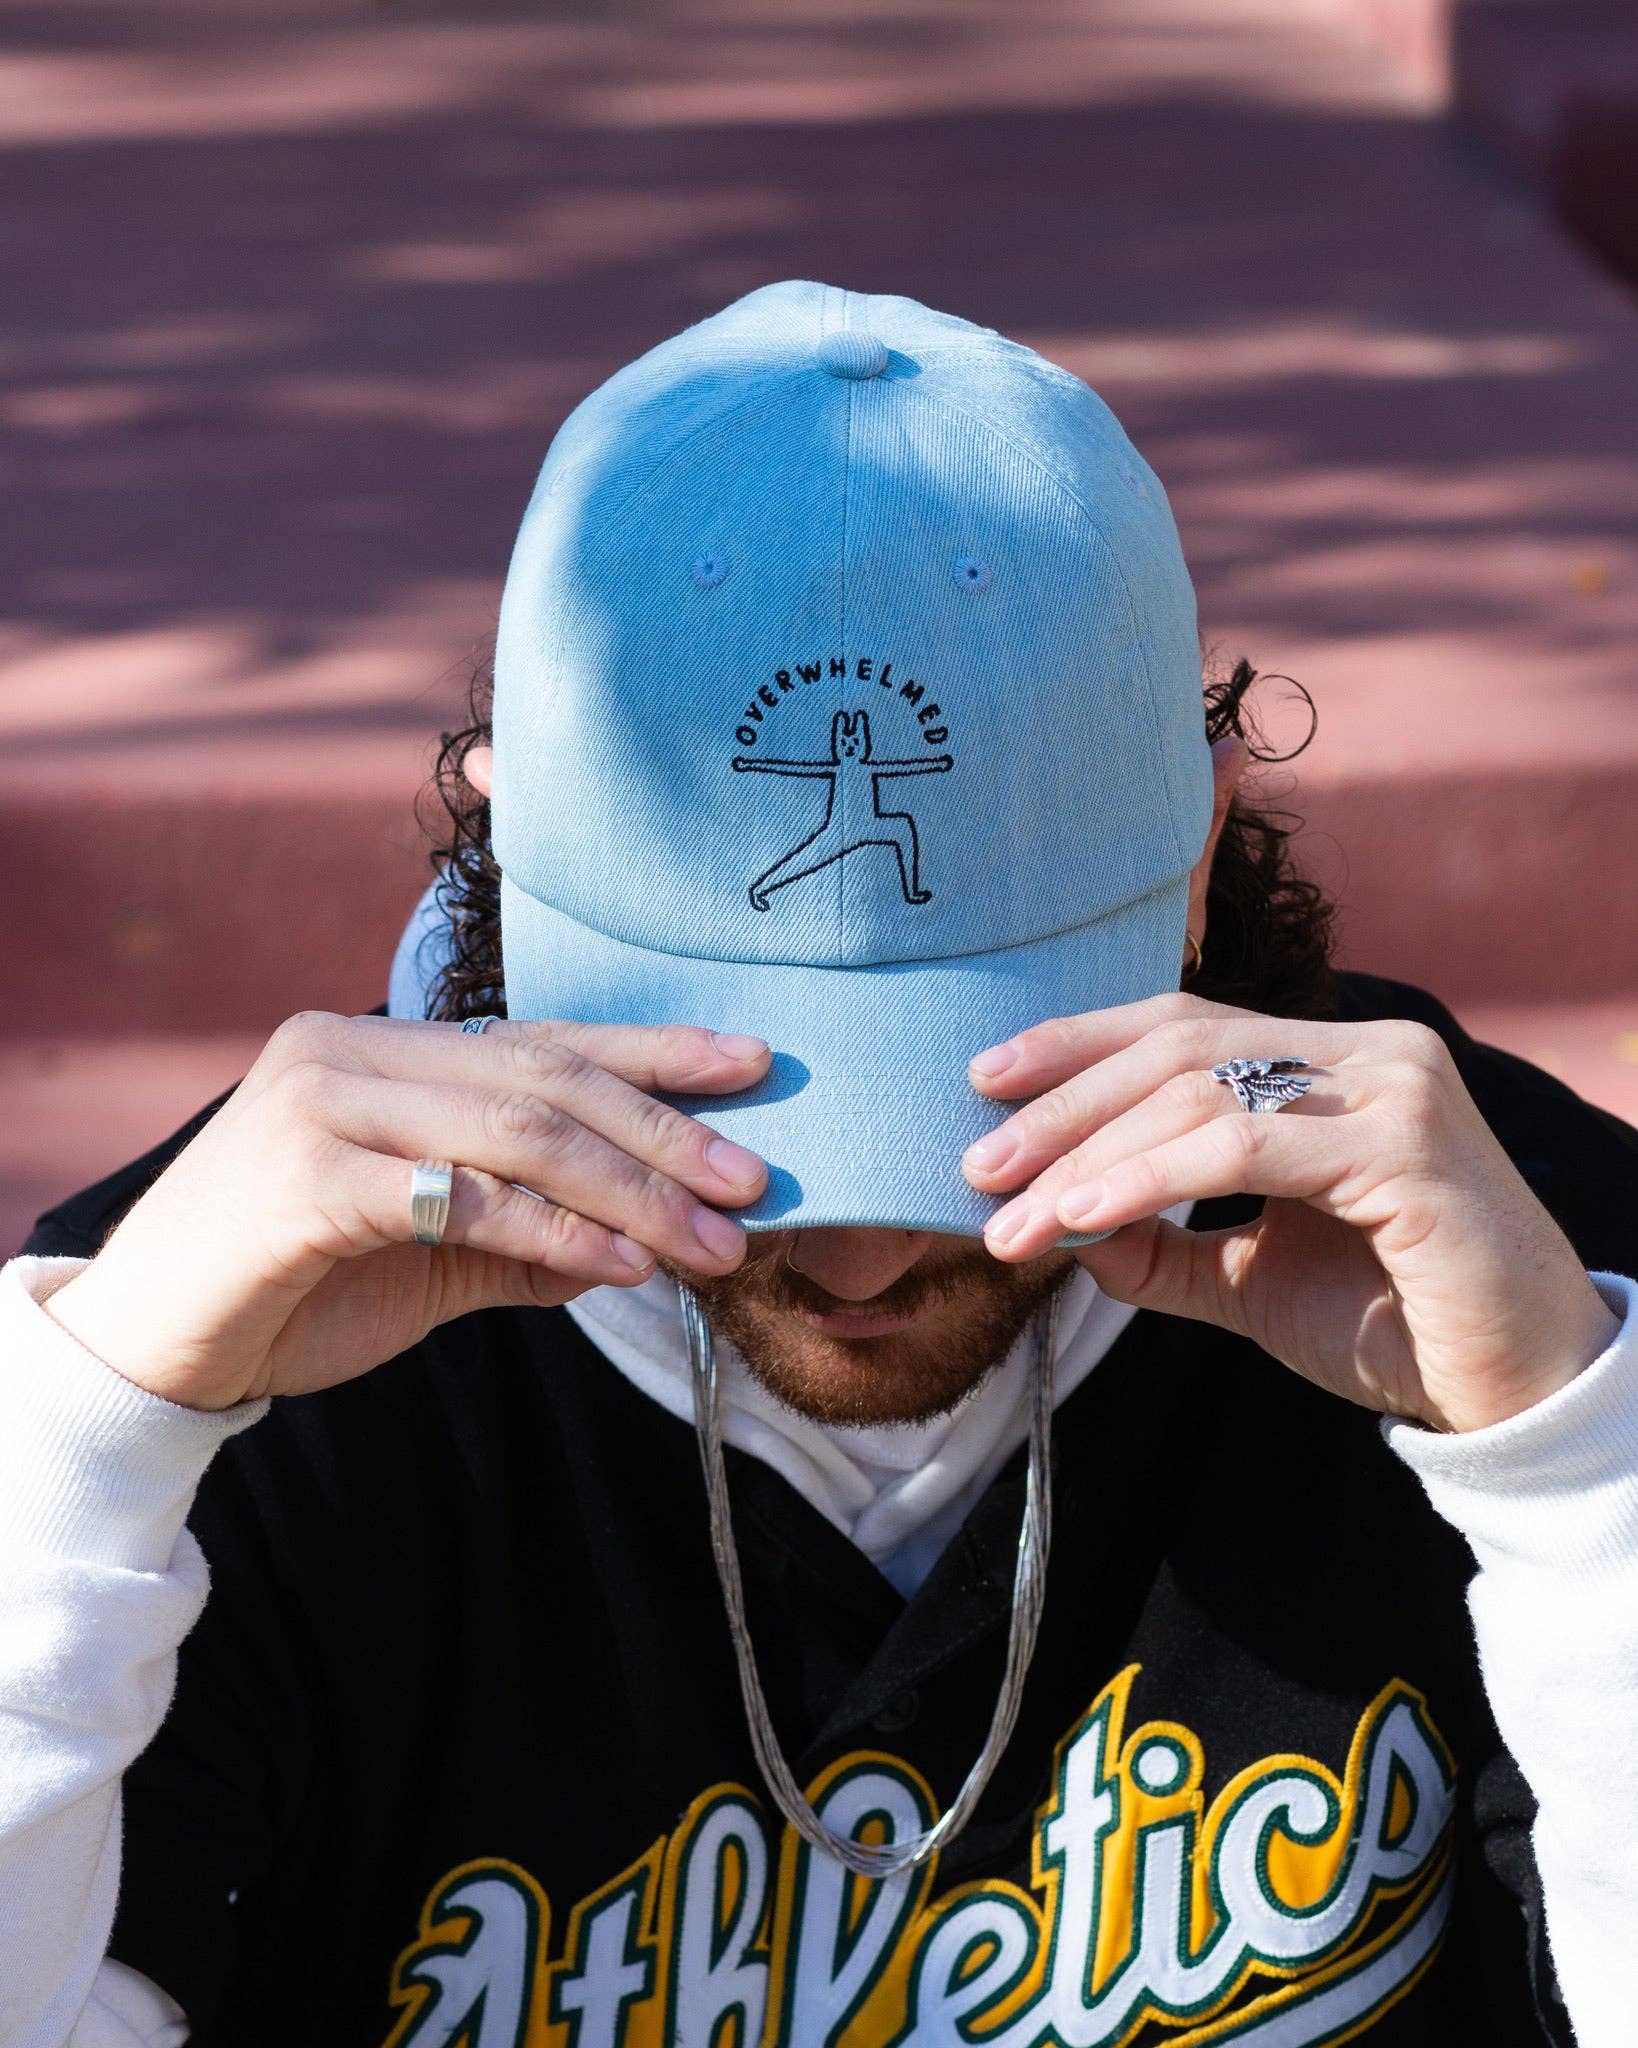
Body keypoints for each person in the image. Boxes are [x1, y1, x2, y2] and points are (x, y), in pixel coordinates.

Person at [1, 282, 1634, 2048]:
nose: (853, 1258)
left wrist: (1573, 1476)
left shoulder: (1516, 1268)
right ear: (496, 828)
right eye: (741, 1120)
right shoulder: (230, 1342)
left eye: (965, 1112)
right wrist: (93, 1442)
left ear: (1191, 856)